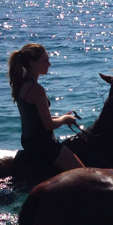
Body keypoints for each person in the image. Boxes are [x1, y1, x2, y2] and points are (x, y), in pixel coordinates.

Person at [8, 43, 84, 172]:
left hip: (28, 142)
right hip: (44, 144)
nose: (49, 64)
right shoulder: (36, 89)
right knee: (82, 174)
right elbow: (48, 125)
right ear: (33, 63)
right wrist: (64, 119)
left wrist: (61, 117)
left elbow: (36, 119)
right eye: (46, 61)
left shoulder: (21, 85)